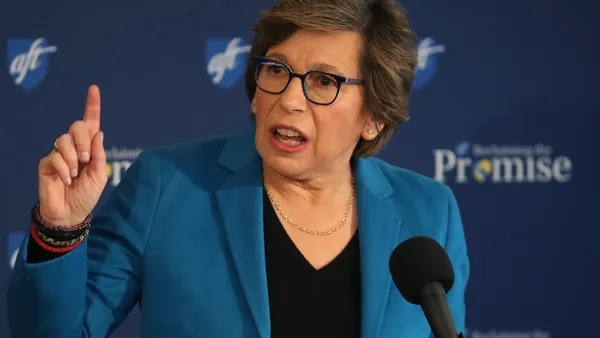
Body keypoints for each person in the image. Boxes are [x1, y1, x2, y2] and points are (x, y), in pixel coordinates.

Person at [7, 0, 470, 337]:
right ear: (254, 87)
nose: (289, 99)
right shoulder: (168, 186)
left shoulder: (429, 213)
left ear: (374, 116)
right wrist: (59, 230)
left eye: (324, 81)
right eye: (276, 71)